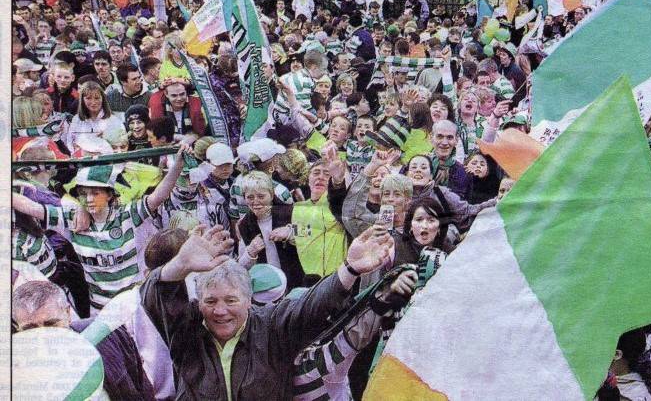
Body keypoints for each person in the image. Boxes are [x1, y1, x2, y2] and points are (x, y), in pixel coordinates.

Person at [141, 221, 395, 400]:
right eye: (210, 302)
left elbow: (311, 306)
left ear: (249, 300)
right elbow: (158, 297)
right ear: (199, 302)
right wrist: (180, 265)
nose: (220, 311)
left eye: (231, 301)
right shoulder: (188, 331)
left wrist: (349, 269)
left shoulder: (270, 326)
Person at [12, 147, 187, 313]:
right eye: (83, 193)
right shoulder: (70, 218)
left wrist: (178, 164)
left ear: (110, 194)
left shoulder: (129, 214)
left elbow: (159, 195)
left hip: (135, 305)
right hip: (100, 310)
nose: (88, 199)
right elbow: (31, 207)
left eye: (95, 193)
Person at [12, 280, 157, 399]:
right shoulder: (14, 379)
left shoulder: (109, 335)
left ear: (68, 314)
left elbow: (141, 385)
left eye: (51, 324)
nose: (43, 337)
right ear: (17, 327)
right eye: (30, 329)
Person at [236, 171, 305, 290]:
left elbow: (313, 233)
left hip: (297, 282)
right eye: (250, 197)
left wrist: (290, 232)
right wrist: (250, 253)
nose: (256, 202)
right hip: (267, 288)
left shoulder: (290, 212)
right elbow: (240, 268)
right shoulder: (244, 224)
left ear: (272, 195)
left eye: (261, 196)